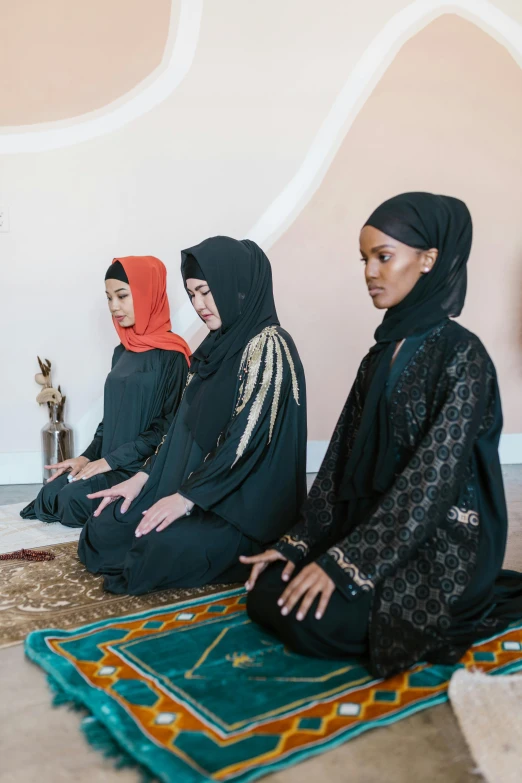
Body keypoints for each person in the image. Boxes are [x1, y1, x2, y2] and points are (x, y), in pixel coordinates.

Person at [244, 192, 522, 678]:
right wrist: (298, 542)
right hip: (376, 527)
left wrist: (348, 562)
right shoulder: (380, 355)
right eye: (365, 259)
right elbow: (337, 463)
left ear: (429, 259)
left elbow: (431, 484)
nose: (370, 272)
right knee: (271, 587)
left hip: (441, 541)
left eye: (384, 256)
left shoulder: (463, 355)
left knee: (312, 619)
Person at [78, 236, 307, 594]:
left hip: (238, 508)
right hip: (193, 486)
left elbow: (245, 442)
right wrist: (143, 479)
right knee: (104, 529)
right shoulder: (213, 348)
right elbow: (179, 430)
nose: (199, 304)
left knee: (152, 551)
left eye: (205, 291)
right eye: (191, 294)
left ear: (237, 286)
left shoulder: (269, 345)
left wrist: (187, 499)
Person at [21, 256, 190, 528]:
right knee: (50, 493)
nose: (114, 307)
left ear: (148, 294)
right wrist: (86, 458)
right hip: (110, 461)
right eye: (109, 298)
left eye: (122, 296)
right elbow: (109, 421)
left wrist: (109, 462)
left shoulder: (173, 356)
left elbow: (166, 429)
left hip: (140, 469)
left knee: (70, 501)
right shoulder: (121, 352)